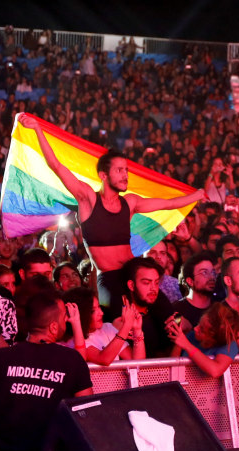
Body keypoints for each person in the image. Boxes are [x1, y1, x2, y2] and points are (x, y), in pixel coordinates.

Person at [19, 113, 204, 317]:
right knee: (118, 326)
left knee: (168, 320)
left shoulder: (131, 202)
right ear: (104, 176)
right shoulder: (88, 199)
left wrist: (198, 194)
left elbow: (170, 204)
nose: (125, 175)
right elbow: (56, 166)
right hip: (109, 280)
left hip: (134, 274)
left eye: (126, 170)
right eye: (119, 170)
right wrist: (38, 129)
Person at [0, 290, 93, 451]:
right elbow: (86, 412)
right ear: (53, 327)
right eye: (63, 317)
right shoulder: (72, 361)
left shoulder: (0, 357)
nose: (66, 321)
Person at [173, 252, 217, 330]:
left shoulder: (219, 307)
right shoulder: (176, 310)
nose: (211, 277)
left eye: (213, 272)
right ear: (190, 281)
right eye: (204, 272)